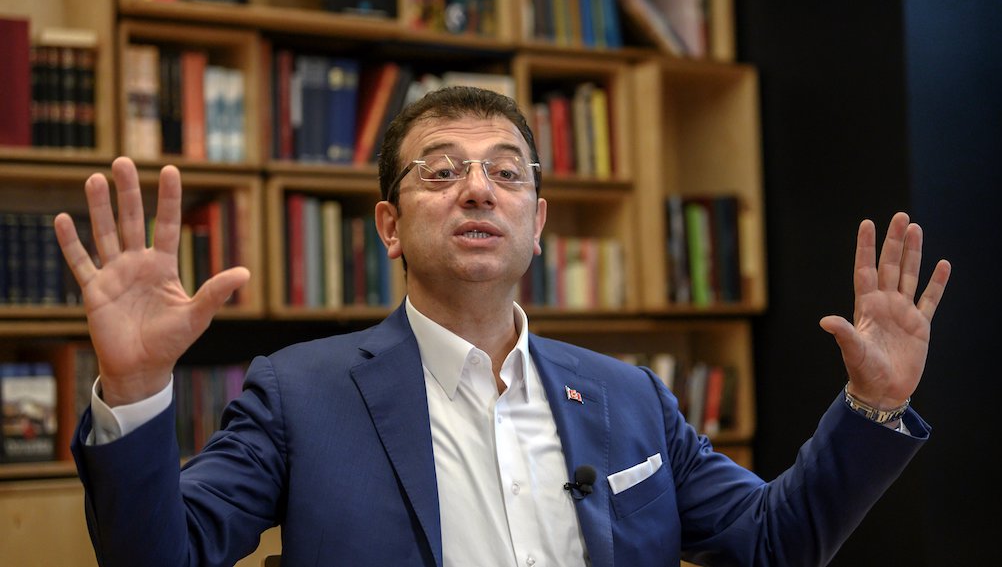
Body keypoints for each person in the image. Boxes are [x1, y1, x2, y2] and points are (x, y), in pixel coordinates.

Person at [55, 86, 950, 567]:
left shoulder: (627, 394)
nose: (478, 188)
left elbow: (771, 542)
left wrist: (872, 404)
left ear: (538, 219)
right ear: (390, 225)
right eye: (440, 172)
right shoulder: (299, 393)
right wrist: (134, 392)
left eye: (505, 172)